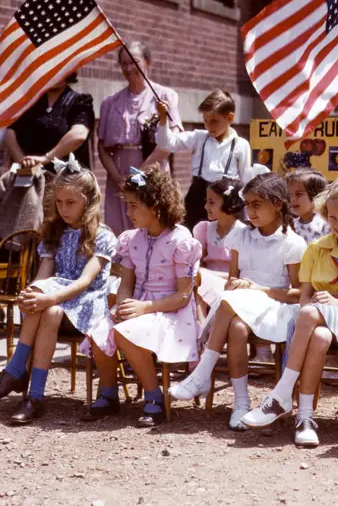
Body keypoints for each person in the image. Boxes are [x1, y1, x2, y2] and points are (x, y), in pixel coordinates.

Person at [241, 177, 338, 447]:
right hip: (315, 322)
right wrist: (323, 308)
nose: (337, 225)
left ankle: (282, 394)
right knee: (318, 334)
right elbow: (305, 297)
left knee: (310, 316)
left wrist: (337, 304)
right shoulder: (316, 249)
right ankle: (306, 417)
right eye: (332, 218)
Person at [170, 173, 307, 431]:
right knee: (237, 328)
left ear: (278, 204)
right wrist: (240, 286)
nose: (250, 211)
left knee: (232, 302)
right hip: (239, 306)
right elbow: (231, 281)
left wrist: (257, 288)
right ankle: (241, 403)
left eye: (258, 204)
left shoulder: (293, 243)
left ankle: (202, 373)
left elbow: (297, 293)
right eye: (248, 204)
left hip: (275, 307)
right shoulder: (240, 237)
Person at [83, 164, 202, 427]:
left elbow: (183, 295)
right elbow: (126, 283)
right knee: (99, 331)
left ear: (156, 207)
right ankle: (109, 392)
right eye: (128, 205)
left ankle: (154, 396)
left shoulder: (181, 241)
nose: (128, 212)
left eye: (135, 206)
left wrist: (145, 307)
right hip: (138, 305)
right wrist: (123, 304)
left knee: (126, 332)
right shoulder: (131, 239)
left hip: (170, 311)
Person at [0, 154, 116, 424]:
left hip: (86, 304)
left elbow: (84, 282)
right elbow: (43, 276)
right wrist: (32, 293)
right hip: (55, 306)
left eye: (71, 203)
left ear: (88, 202)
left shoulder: (102, 236)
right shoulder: (55, 232)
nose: (63, 209)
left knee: (48, 306)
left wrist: (47, 296)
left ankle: (16, 370)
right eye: (60, 202)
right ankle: (34, 396)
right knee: (47, 309)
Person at [98, 42, 183, 236]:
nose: (129, 68)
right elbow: (102, 147)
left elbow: (172, 139)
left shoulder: (164, 96)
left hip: (152, 170)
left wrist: (140, 172)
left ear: (148, 62)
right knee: (119, 232)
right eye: (124, 63)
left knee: (152, 224)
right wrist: (119, 178)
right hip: (119, 175)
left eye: (134, 62)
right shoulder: (110, 102)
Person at [156, 89, 251, 231]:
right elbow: (166, 143)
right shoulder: (198, 138)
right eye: (205, 120)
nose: (208, 126)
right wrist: (163, 119)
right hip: (197, 201)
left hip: (227, 204)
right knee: (193, 238)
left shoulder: (241, 145)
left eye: (214, 121)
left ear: (230, 118)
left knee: (224, 243)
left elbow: (246, 182)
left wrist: (247, 217)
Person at [4, 73, 94, 170]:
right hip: (29, 175)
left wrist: (46, 158)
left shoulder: (79, 102)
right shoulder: (30, 102)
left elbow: (79, 134)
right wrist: (24, 163)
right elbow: (10, 134)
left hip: (66, 177)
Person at [193, 177, 246, 310]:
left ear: (228, 203)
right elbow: (198, 262)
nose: (206, 206)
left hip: (230, 284)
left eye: (211, 202)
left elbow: (241, 274)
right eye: (206, 201)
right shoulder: (204, 229)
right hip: (204, 281)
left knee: (202, 278)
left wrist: (209, 274)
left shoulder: (243, 233)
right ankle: (201, 324)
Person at [287, 168, 329, 244]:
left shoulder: (325, 225)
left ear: (315, 196)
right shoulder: (290, 226)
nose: (292, 199)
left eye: (298, 194)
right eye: (290, 194)